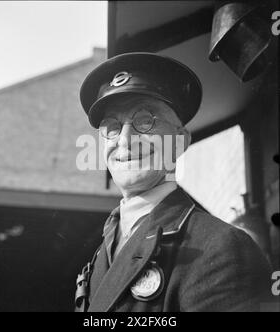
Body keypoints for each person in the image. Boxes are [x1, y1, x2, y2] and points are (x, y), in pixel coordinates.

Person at [75, 52, 272, 312]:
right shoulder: (103, 251)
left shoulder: (222, 247)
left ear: (180, 141)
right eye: (111, 127)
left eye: (144, 121)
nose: (124, 140)